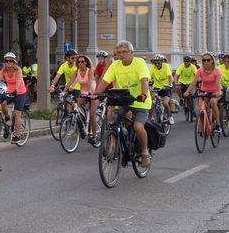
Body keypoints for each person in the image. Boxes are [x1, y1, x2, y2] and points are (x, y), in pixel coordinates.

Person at [96, 40, 152, 168]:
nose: (121, 55)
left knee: (138, 126)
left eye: (124, 52)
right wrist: (95, 93)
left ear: (131, 53)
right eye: (118, 52)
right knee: (112, 120)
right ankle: (113, 146)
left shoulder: (139, 62)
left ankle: (144, 152)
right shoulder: (115, 65)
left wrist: (143, 94)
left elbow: (144, 80)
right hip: (123, 100)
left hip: (140, 101)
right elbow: (105, 80)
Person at [0, 52, 29, 142]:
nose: (8, 63)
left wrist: (16, 90)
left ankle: (17, 135)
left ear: (14, 62)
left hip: (20, 93)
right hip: (10, 92)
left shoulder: (18, 70)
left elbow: (18, 82)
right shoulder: (4, 70)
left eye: (10, 61)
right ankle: (7, 117)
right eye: (6, 61)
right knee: (2, 104)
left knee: (17, 113)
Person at [185, 51, 223, 131]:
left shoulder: (217, 71)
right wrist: (187, 91)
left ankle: (218, 124)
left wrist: (217, 92)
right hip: (204, 91)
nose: (206, 62)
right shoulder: (200, 70)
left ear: (212, 60)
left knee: (212, 102)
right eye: (204, 60)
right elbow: (194, 82)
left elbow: (217, 83)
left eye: (208, 60)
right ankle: (205, 125)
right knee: (201, 109)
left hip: (215, 91)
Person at [65, 54, 98, 143]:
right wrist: (64, 91)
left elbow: (90, 82)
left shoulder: (90, 71)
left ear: (86, 62)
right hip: (83, 93)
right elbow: (70, 82)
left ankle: (94, 136)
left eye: (82, 61)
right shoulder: (76, 72)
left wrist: (88, 92)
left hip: (93, 93)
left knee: (92, 115)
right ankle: (80, 126)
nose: (80, 63)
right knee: (74, 106)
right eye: (78, 62)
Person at [149, 54, 174, 124]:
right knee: (151, 101)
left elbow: (170, 77)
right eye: (155, 63)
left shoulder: (166, 66)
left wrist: (170, 84)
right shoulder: (152, 67)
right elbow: (148, 77)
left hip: (166, 87)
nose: (156, 64)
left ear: (162, 62)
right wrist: (148, 84)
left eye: (158, 63)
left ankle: (170, 116)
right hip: (156, 87)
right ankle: (152, 116)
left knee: (165, 103)